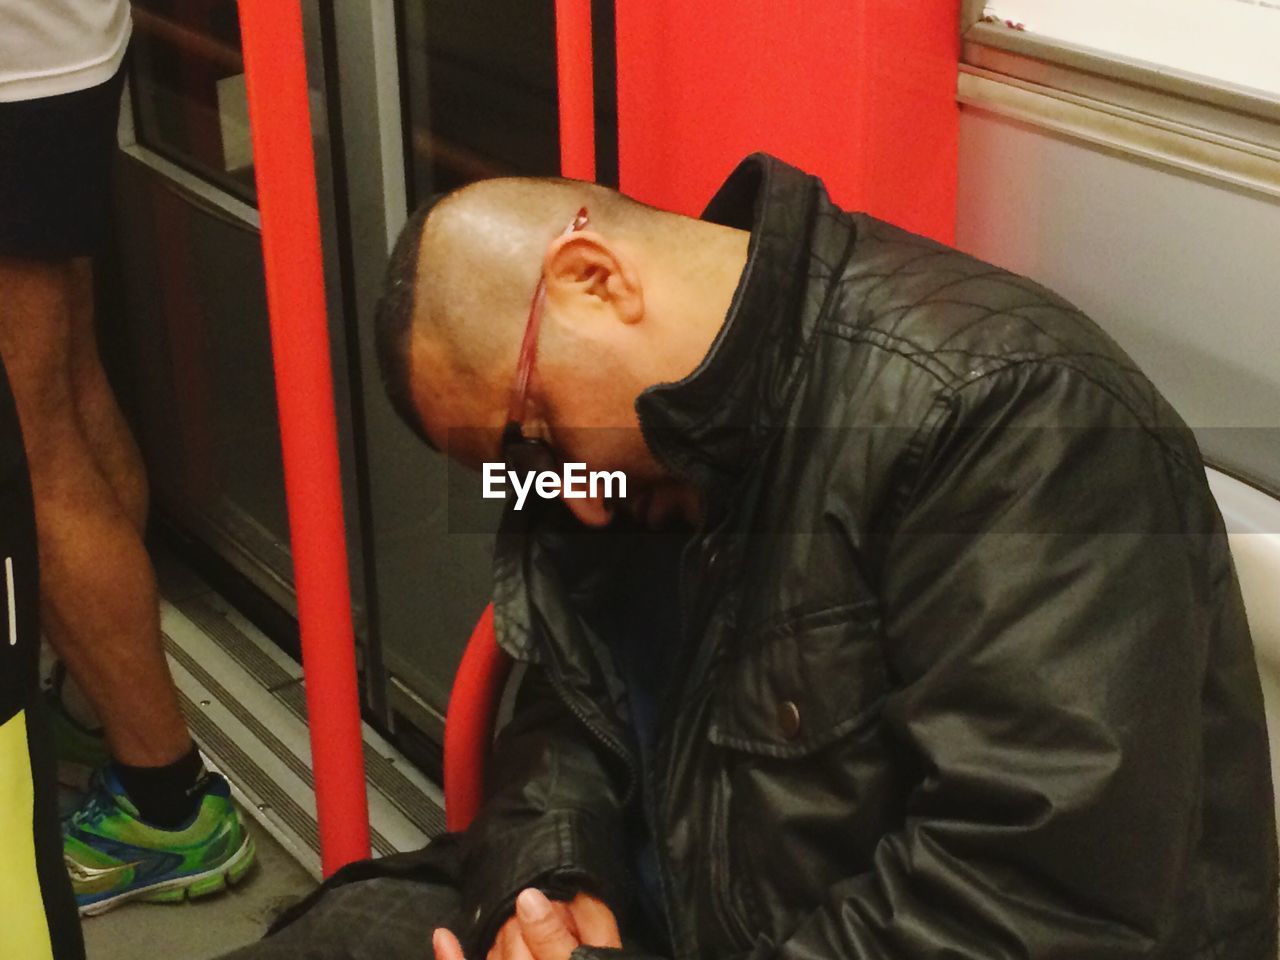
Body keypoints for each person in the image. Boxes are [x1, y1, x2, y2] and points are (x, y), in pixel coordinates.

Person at [222, 153, 1277, 960]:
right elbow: (565, 712)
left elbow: (1034, 901)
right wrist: (551, 891)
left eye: (533, 439)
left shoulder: (1005, 415)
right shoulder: (631, 466)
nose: (567, 502)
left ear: (593, 279)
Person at [0, 0, 253, 915]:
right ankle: (98, 705)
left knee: (23, 450)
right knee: (63, 379)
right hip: (53, 50)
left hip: (10, 66)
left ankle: (165, 805)